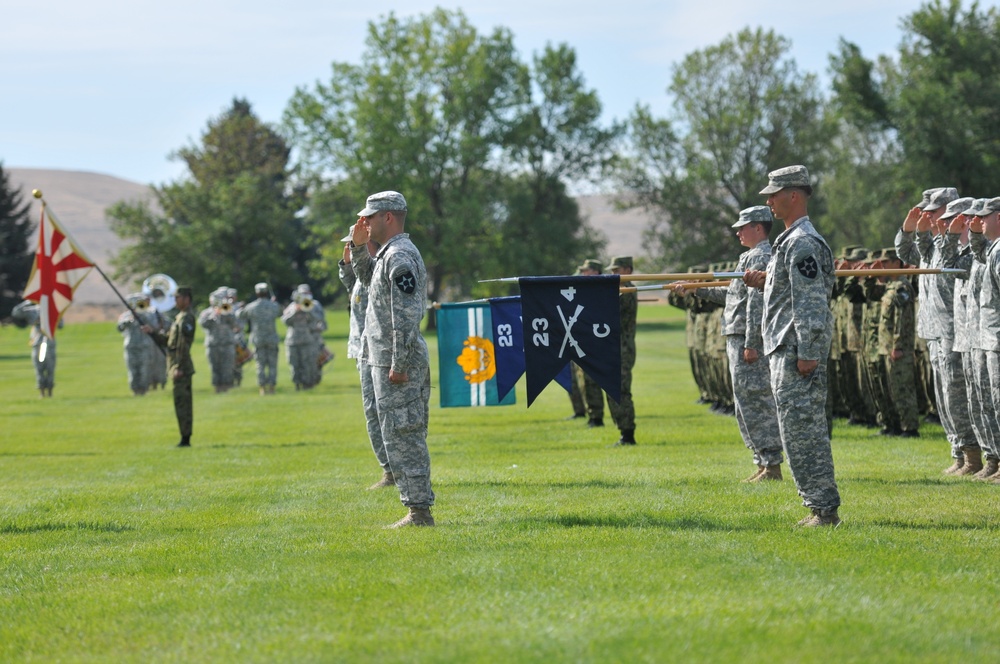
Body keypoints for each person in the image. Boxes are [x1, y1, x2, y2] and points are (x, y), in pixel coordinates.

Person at [744, 165, 841, 527]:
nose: (769, 200)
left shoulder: (802, 242)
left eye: (774, 193)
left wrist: (809, 353)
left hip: (796, 351)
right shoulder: (789, 241)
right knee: (795, 432)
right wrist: (765, 281)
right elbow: (789, 289)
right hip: (784, 349)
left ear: (794, 195)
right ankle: (816, 506)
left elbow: (811, 302)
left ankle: (825, 509)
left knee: (805, 432)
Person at [677, 207, 784, 481]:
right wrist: (696, 289)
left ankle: (771, 464)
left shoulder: (761, 256)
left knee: (756, 399)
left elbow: (756, 305)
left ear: (758, 228)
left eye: (743, 226)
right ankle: (762, 461)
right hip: (737, 336)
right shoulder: (749, 256)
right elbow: (733, 297)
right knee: (743, 400)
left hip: (747, 339)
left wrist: (751, 342)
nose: (738, 232)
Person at [349, 190, 435, 527]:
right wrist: (357, 249)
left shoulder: (400, 256)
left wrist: (399, 364)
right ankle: (415, 508)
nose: (364, 222)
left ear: (388, 217)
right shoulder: (387, 255)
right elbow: (369, 282)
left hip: (398, 363)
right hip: (383, 360)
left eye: (370, 217)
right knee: (394, 433)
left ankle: (420, 512)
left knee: (405, 434)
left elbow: (406, 316)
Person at [896, 187, 979, 474]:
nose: (929, 217)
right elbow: (904, 253)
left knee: (958, 395)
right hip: (934, 329)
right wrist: (910, 231)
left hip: (955, 329)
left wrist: (934, 235)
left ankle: (971, 454)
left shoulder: (952, 245)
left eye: (933, 213)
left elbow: (949, 265)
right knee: (943, 397)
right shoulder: (933, 244)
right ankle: (958, 451)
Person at [339, 229, 394, 488]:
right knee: (371, 412)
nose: (349, 248)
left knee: (385, 411)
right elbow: (351, 283)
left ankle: (397, 468)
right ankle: (388, 470)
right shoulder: (362, 276)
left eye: (354, 244)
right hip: (362, 351)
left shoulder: (378, 271)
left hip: (379, 352)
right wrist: (347, 262)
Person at [145, 286, 196, 447]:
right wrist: (152, 332)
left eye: (178, 297)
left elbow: (183, 345)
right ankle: (184, 436)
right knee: (180, 402)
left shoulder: (187, 318)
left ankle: (185, 438)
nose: (175, 300)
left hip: (181, 367)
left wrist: (178, 367)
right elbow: (169, 341)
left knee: (183, 403)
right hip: (176, 365)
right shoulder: (180, 317)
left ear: (187, 299)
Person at [608, 256, 638, 445]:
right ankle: (623, 430)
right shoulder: (619, 288)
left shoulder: (626, 290)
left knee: (620, 389)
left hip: (622, 348)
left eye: (617, 270)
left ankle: (628, 433)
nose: (613, 274)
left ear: (628, 270)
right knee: (613, 389)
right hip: (614, 347)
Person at [576, 258, 607, 427]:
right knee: (585, 381)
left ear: (595, 272)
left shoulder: (602, 289)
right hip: (584, 342)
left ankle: (598, 417)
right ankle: (593, 416)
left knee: (595, 380)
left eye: (586, 271)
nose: (582, 274)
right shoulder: (584, 289)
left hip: (599, 343)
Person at [238, 283, 282, 395]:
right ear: (266, 293)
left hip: (258, 339)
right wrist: (274, 302)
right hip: (272, 338)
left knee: (260, 364)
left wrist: (241, 307)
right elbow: (281, 313)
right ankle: (272, 387)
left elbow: (240, 315)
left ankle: (262, 388)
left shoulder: (252, 306)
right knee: (272, 364)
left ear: (257, 293)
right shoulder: (273, 306)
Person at [12, 300, 59, 397]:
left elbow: (61, 324)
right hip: (37, 343)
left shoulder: (53, 311)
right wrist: (28, 302)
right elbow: (16, 312)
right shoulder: (32, 310)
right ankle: (42, 393)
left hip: (48, 343)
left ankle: (50, 392)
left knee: (50, 369)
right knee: (39, 369)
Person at [198, 289, 239, 393]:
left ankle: (226, 388)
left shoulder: (229, 310)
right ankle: (217, 388)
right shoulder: (206, 312)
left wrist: (227, 313)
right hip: (213, 344)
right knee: (215, 367)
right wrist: (213, 316)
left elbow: (235, 324)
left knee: (228, 367)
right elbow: (202, 324)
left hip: (227, 343)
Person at [282, 290, 321, 390]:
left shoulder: (308, 305)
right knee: (294, 364)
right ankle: (297, 383)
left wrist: (308, 310)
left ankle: (306, 383)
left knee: (306, 363)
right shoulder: (291, 307)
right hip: (293, 340)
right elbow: (285, 321)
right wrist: (294, 312)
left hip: (306, 339)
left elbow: (316, 318)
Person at [116, 293, 154, 396]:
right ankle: (135, 390)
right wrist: (128, 321)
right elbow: (119, 328)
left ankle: (143, 390)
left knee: (144, 370)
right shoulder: (125, 316)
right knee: (132, 371)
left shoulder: (147, 315)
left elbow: (153, 326)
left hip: (144, 346)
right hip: (131, 347)